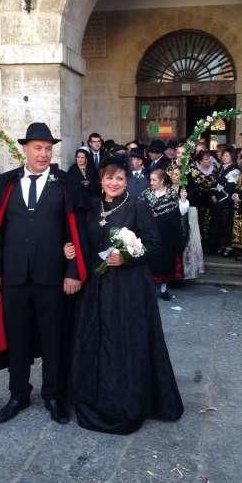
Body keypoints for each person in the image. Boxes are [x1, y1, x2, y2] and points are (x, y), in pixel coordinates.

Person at [0, 123, 82, 425]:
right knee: (16, 337)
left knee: (53, 338)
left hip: (53, 278)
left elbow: (77, 232)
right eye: (38, 148)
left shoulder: (64, 184)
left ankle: (53, 395)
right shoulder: (5, 184)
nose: (44, 154)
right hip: (13, 277)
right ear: (25, 149)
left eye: (48, 148)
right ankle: (18, 393)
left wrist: (74, 270)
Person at [65, 156, 183, 434]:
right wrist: (68, 249)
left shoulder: (137, 206)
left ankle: (126, 398)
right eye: (109, 177)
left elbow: (154, 244)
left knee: (124, 341)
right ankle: (98, 395)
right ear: (101, 180)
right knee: (98, 337)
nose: (114, 183)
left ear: (127, 181)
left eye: (119, 178)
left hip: (129, 288)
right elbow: (82, 240)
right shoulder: (92, 207)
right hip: (97, 286)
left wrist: (127, 256)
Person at [141, 168, 184, 300]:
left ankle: (164, 289)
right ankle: (149, 290)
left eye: (154, 180)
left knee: (165, 263)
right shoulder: (146, 194)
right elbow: (140, 213)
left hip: (167, 236)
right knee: (150, 262)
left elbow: (176, 217)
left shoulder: (171, 195)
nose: (151, 182)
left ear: (162, 180)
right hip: (149, 235)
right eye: (151, 180)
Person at [170, 166, 204, 279]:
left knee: (185, 246)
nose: (173, 176)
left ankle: (185, 273)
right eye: (172, 174)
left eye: (176, 174)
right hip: (171, 222)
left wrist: (183, 199)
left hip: (183, 221)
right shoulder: (168, 187)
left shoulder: (184, 189)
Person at [210, 147, 240, 257]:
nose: (224, 157)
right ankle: (222, 244)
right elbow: (216, 182)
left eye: (227, 156)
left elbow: (230, 188)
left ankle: (229, 246)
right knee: (220, 224)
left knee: (227, 224)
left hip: (227, 202)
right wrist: (213, 194)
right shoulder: (221, 167)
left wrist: (218, 197)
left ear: (232, 157)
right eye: (223, 155)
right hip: (219, 201)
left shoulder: (235, 170)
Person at [188, 149, 218, 251]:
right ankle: (196, 245)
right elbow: (192, 185)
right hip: (196, 200)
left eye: (209, 159)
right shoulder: (193, 169)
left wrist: (212, 193)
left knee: (208, 222)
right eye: (206, 159)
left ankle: (208, 245)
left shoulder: (214, 169)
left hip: (210, 201)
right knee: (197, 222)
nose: (209, 161)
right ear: (200, 161)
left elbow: (216, 184)